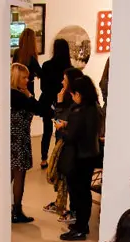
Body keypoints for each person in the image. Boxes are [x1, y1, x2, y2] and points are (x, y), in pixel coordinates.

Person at [58, 76, 102, 242]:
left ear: (78, 93)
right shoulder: (94, 109)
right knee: (84, 192)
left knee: (79, 193)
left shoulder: (80, 112)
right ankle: (82, 225)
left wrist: (62, 129)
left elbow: (71, 137)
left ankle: (80, 228)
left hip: (78, 157)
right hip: (89, 155)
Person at [10, 63, 51, 225]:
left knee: (10, 175)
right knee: (19, 175)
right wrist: (29, 94)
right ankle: (16, 211)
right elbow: (41, 109)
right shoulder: (20, 97)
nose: (28, 80)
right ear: (16, 78)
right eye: (24, 77)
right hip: (19, 141)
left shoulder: (10, 94)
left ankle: (3, 208)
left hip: (12, 139)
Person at [43, 67, 84, 223]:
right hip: (64, 143)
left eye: (65, 80)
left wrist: (59, 105)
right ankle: (62, 204)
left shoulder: (75, 104)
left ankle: (71, 210)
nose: (62, 82)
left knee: (69, 179)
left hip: (71, 146)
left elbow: (61, 122)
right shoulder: (70, 100)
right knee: (62, 176)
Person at [39, 38, 72, 169]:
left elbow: (43, 87)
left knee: (46, 130)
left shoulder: (46, 65)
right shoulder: (69, 69)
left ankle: (44, 159)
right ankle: (58, 158)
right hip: (62, 103)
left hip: (47, 101)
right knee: (60, 131)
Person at [12, 28, 42, 97]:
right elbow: (41, 73)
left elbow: (13, 69)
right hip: (28, 89)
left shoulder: (16, 52)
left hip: (16, 87)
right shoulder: (32, 58)